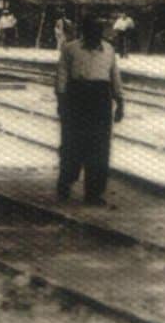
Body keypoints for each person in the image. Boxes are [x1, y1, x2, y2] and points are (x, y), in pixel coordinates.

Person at [54, 13, 127, 206]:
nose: (96, 34)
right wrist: (62, 101)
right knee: (72, 142)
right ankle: (66, 182)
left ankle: (94, 193)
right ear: (84, 32)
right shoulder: (70, 49)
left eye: (98, 31)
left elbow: (114, 75)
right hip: (77, 96)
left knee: (100, 145)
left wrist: (120, 101)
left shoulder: (109, 50)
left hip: (101, 98)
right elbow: (61, 76)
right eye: (91, 30)